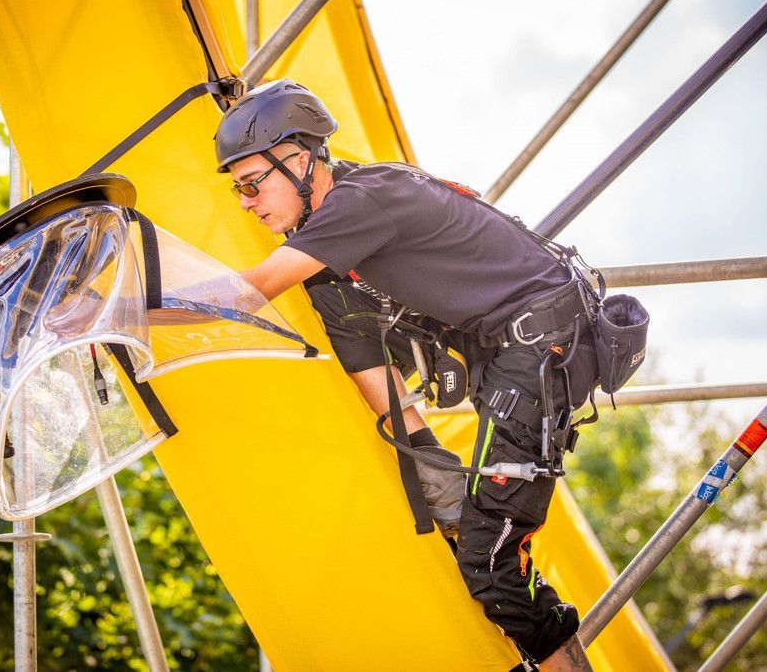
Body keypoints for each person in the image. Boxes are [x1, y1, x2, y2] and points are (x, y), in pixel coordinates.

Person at [217, 79, 600, 671]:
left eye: (250, 184)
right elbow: (365, 360)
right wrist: (429, 459)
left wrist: (127, 303)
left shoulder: (363, 199)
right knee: (482, 545)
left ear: (299, 159)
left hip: (542, 345)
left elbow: (253, 289)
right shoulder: (326, 254)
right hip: (508, 353)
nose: (244, 202)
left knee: (491, 561)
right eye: (236, 190)